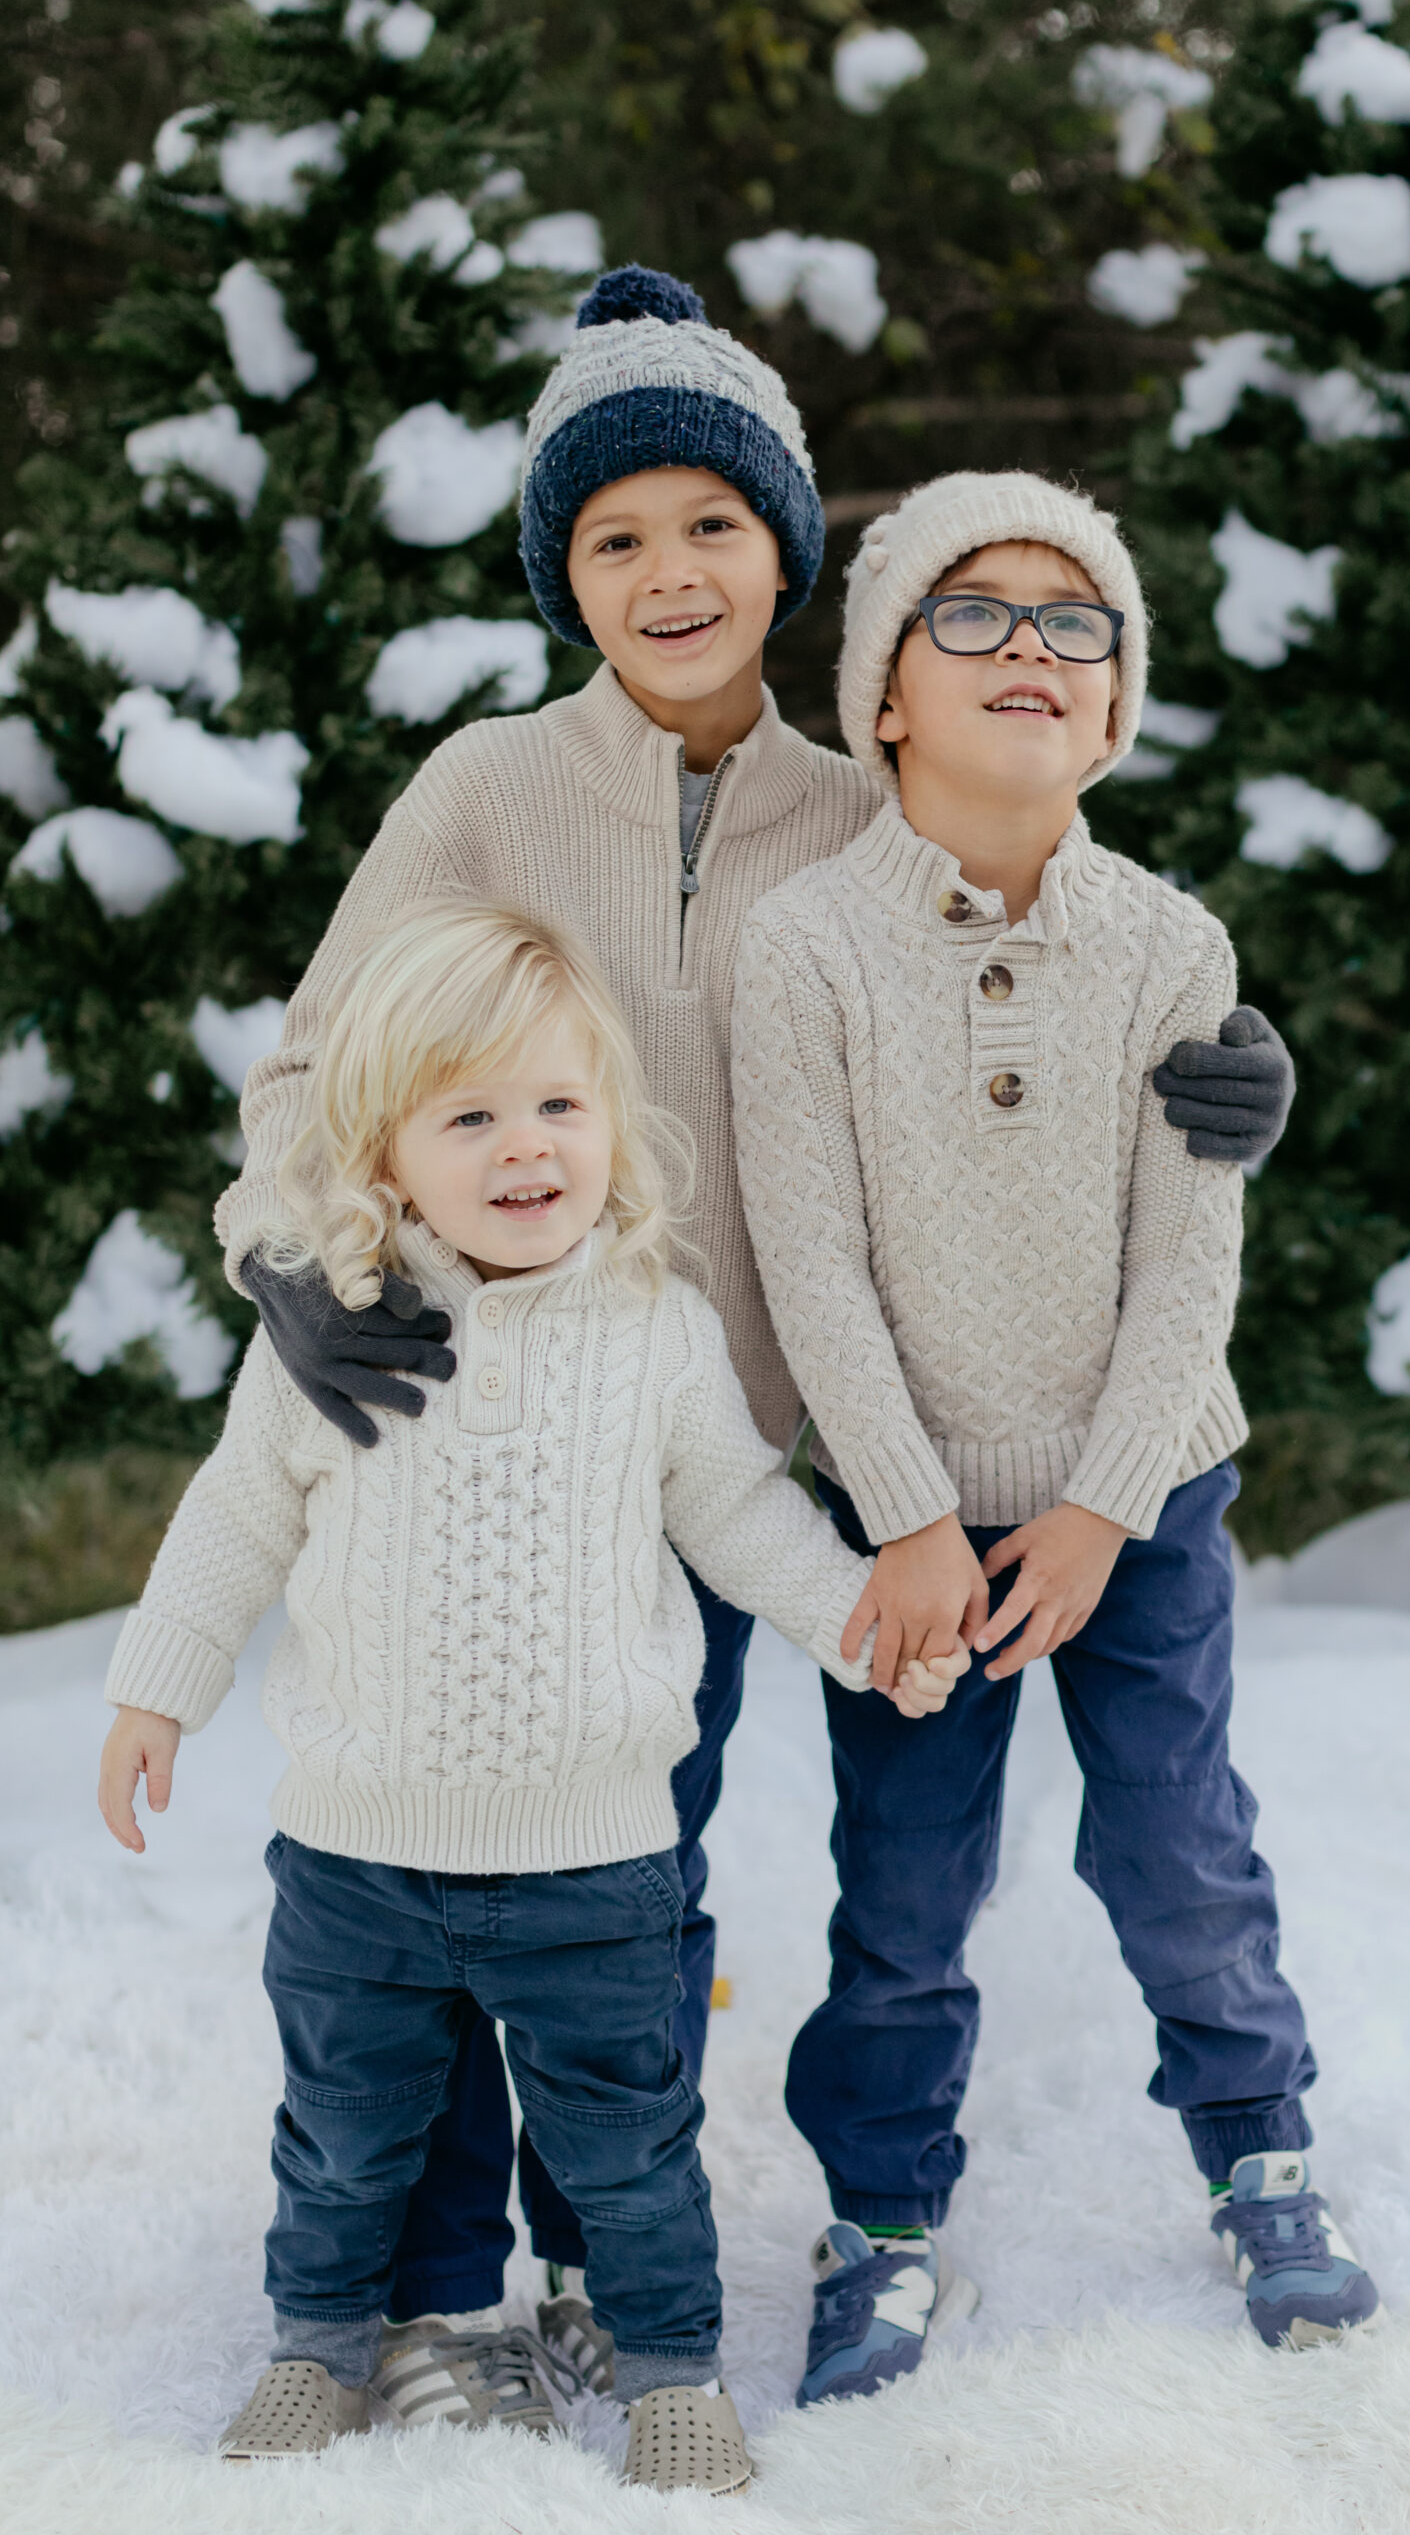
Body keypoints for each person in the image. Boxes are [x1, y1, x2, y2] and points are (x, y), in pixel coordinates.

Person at [212, 263, 1298, 2424]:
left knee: (641, 1867)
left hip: (757, 1452)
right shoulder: (486, 794)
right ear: (563, 578)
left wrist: (1238, 1067)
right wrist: (296, 1262)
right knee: (484, 1857)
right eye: (611, 536)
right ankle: (446, 2275)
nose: (668, 570)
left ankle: (614, 2242)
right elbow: (308, 1074)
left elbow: (1044, 927)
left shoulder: (859, 802)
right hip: (505, 1438)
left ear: (786, 556)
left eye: (710, 522)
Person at [96, 901, 960, 2487]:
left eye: (559, 1106)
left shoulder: (654, 1330)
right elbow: (233, 1518)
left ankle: (669, 2369)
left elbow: (741, 1514)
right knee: (350, 2133)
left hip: (595, 1862)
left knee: (628, 2145)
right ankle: (323, 2344)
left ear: (613, 1127)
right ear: (385, 1153)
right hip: (359, 1856)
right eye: (471, 1115)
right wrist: (157, 1690)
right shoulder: (334, 1340)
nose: (525, 1149)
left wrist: (859, 1621)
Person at [730, 471, 1383, 2407]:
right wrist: (912, 1517)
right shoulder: (805, 945)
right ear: (882, 698)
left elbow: (1196, 1263)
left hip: (1143, 1496)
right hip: (901, 1510)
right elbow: (807, 1257)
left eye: (1071, 621)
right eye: (973, 614)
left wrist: (1104, 1506)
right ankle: (880, 2211)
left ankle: (1258, 2139)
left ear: (1110, 710)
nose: (1029, 645)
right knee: (906, 1876)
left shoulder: (1169, 944)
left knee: (1174, 1839)